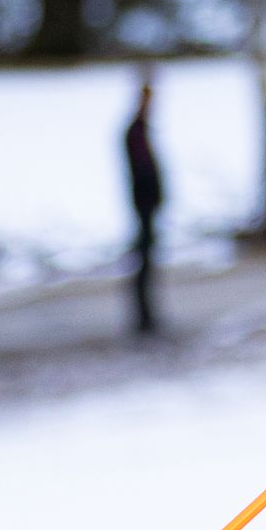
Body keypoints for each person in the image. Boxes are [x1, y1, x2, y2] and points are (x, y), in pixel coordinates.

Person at [124, 70, 164, 337]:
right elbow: (142, 170)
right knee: (143, 258)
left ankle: (146, 313)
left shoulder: (141, 130)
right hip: (143, 203)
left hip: (146, 202)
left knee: (147, 258)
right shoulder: (136, 132)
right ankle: (142, 316)